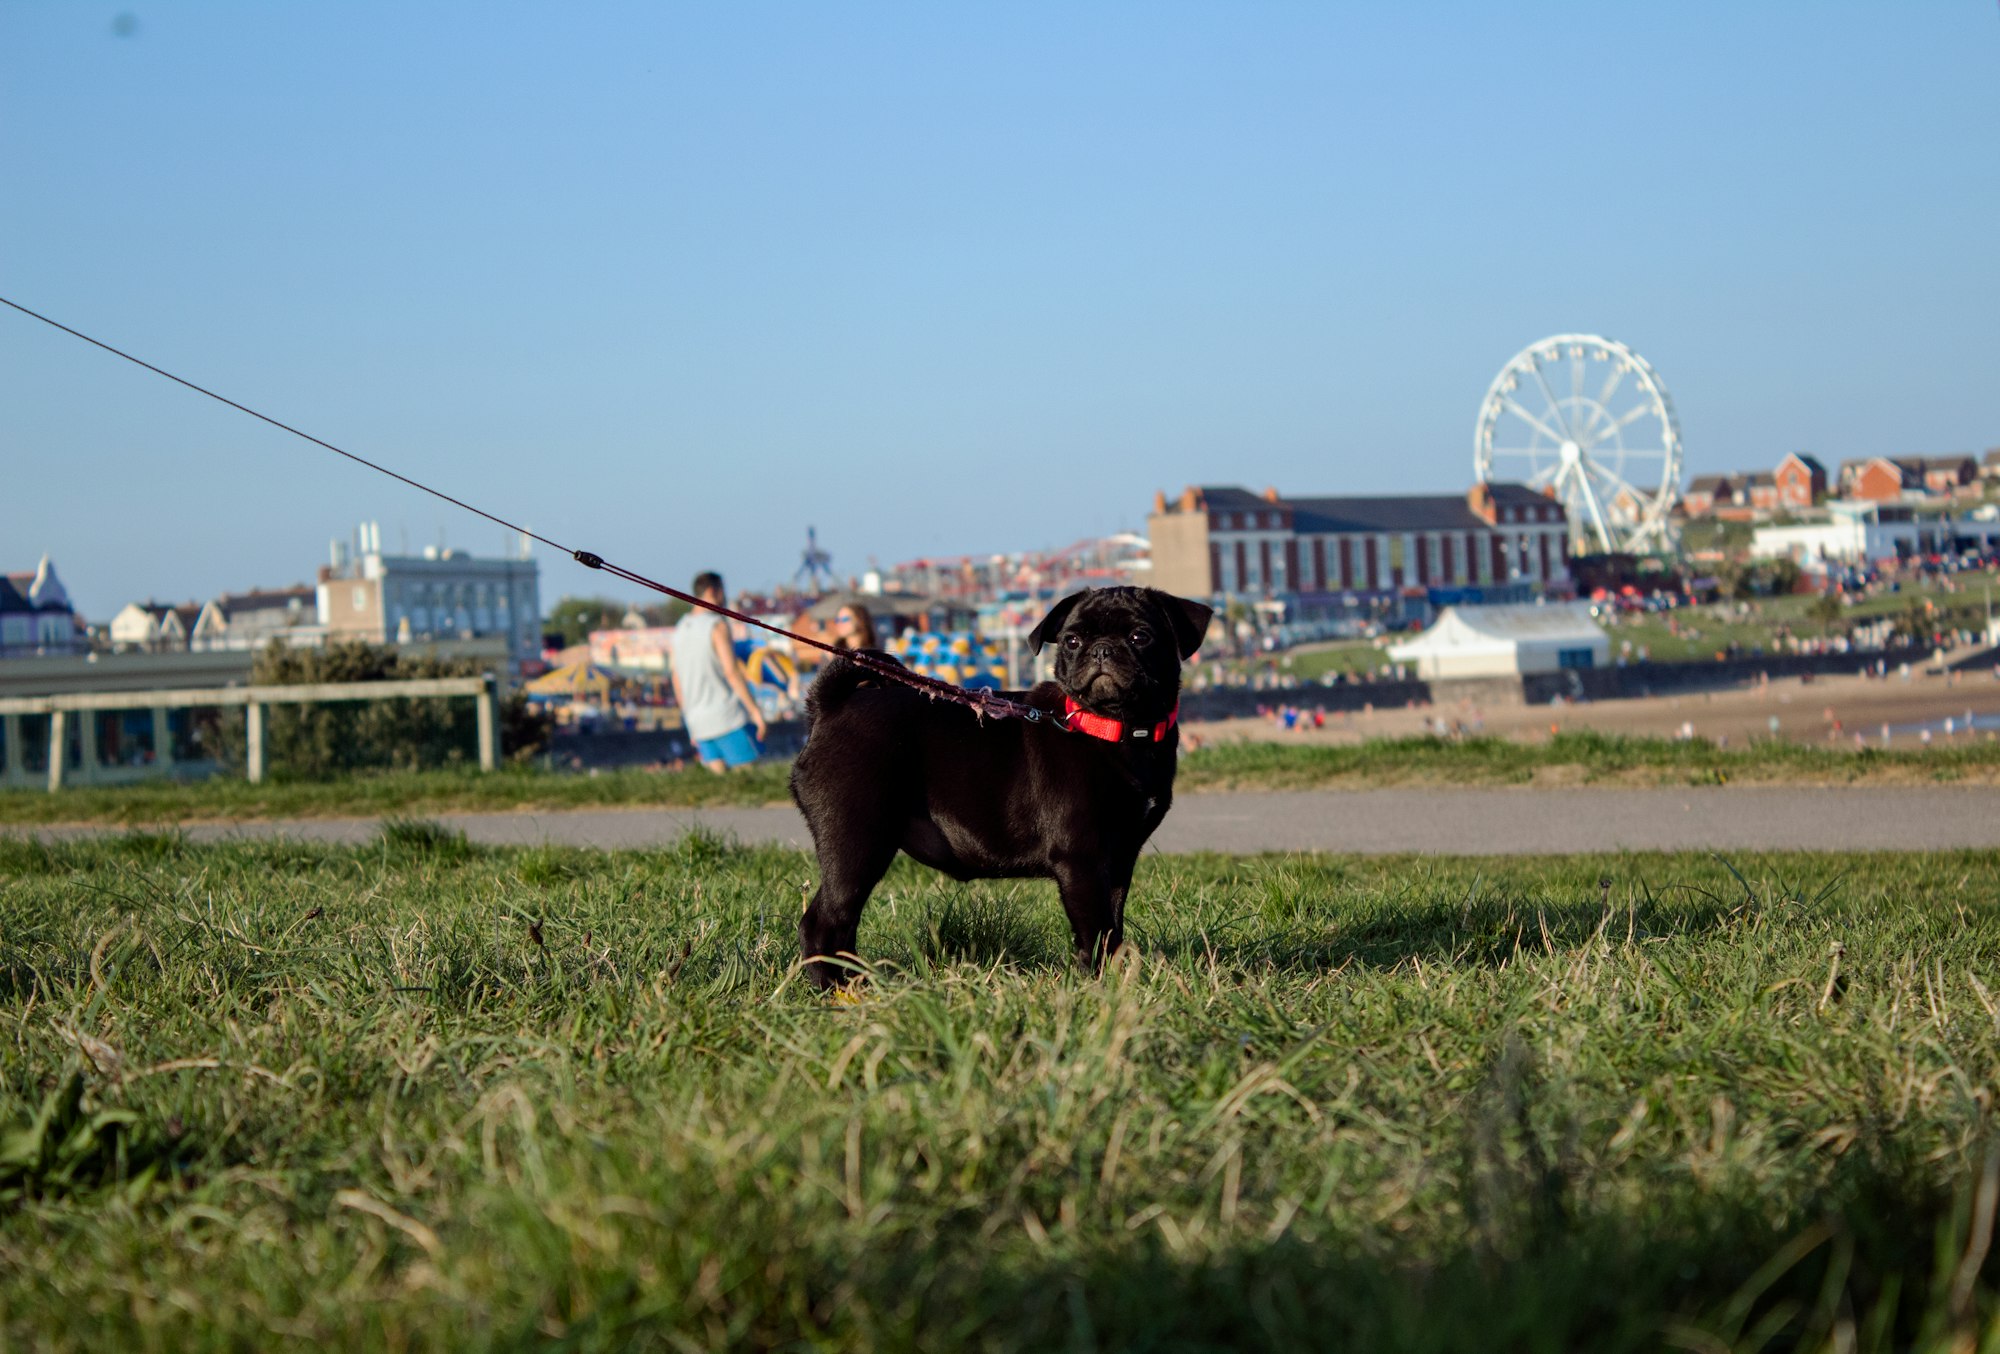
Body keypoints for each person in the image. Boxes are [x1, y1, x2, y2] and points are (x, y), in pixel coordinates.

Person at [670, 572, 768, 773]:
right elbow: (731, 672)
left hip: (698, 723)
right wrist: (755, 711)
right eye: (723, 592)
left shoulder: (680, 629)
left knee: (722, 790)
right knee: (750, 781)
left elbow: (676, 679)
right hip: (727, 717)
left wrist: (689, 719)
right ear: (713, 591)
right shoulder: (716, 625)